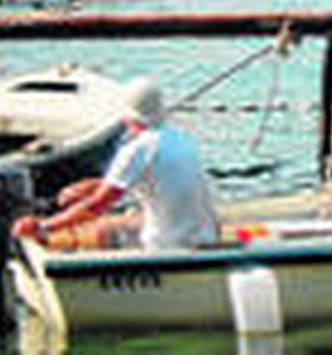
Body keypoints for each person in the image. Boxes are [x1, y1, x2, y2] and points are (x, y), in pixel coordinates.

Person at [12, 77, 218, 252]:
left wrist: (43, 227)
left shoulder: (138, 148)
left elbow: (98, 205)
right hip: (203, 237)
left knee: (100, 232)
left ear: (128, 116)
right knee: (116, 224)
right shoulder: (179, 137)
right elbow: (142, 180)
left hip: (168, 246)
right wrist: (90, 186)